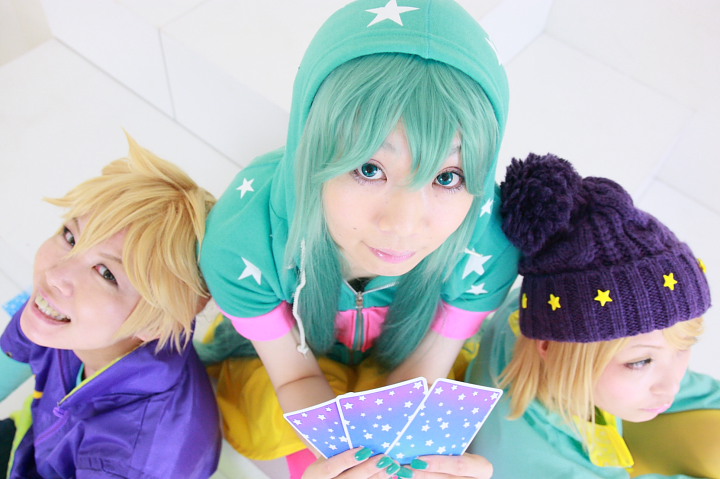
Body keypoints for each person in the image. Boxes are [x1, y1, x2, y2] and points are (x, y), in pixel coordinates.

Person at [197, 0, 519, 476]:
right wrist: (342, 460)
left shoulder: (488, 241)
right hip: (288, 361)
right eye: (369, 168)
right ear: (311, 148)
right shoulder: (243, 239)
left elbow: (419, 378)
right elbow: (294, 376)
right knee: (264, 420)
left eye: (448, 177)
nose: (403, 224)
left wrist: (394, 464)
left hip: (404, 358)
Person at [466, 153, 720, 478]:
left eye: (683, 346)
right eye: (640, 362)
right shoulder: (536, 465)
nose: (671, 384)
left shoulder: (542, 310)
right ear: (549, 347)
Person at [0, 135, 221, 478]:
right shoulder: (55, 312)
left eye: (105, 273)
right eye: (70, 236)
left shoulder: (132, 460)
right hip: (35, 446)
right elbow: (11, 355)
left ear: (154, 325)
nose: (55, 274)